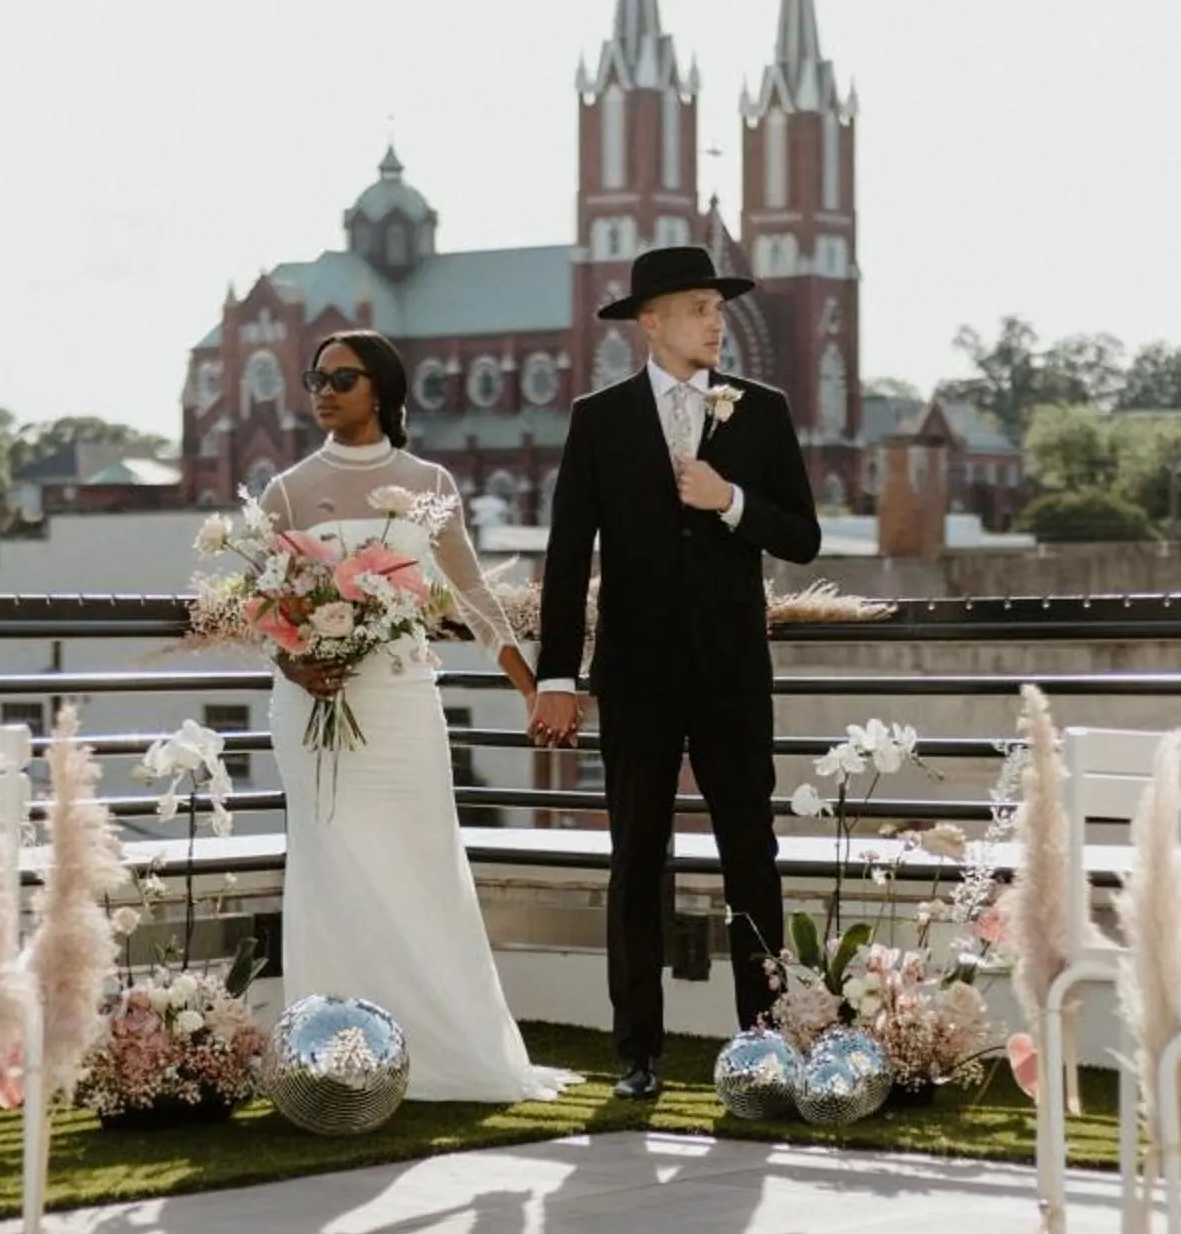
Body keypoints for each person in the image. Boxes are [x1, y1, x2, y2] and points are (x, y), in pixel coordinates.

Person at [529, 246, 822, 1101]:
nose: (714, 321)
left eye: (718, 308)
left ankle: (762, 1044)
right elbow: (564, 554)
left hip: (732, 673)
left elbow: (802, 535)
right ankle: (637, 1053)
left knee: (751, 854)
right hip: (635, 674)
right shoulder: (599, 418)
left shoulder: (762, 412)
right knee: (636, 860)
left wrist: (727, 501)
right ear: (649, 321)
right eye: (698, 307)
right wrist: (557, 674)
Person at [259, 329, 572, 1103]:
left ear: (383, 392)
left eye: (343, 377)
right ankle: (330, 1061)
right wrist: (295, 661)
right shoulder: (288, 490)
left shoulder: (428, 480)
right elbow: (265, 610)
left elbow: (471, 596)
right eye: (315, 377)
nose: (323, 390)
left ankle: (439, 1049)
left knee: (423, 866)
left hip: (401, 707)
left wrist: (530, 687)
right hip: (314, 713)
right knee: (332, 871)